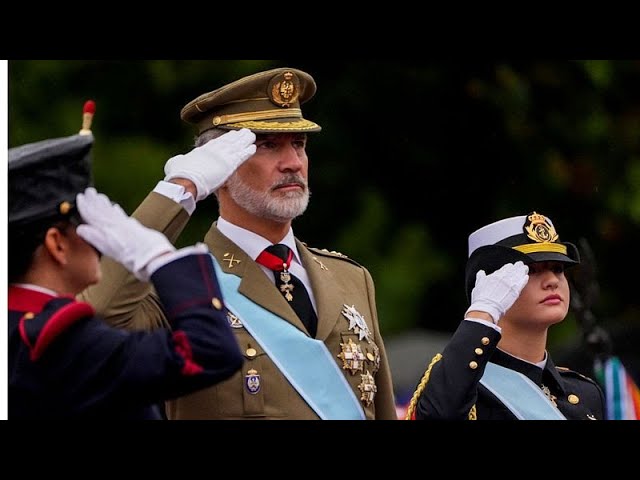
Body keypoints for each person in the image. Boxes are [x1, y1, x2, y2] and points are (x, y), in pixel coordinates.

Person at [79, 67, 397, 419]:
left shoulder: (351, 279)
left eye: (299, 145)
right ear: (220, 165)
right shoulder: (178, 283)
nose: (293, 163)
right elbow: (100, 316)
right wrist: (181, 188)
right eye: (267, 146)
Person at [8, 127, 245, 418]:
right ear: (57, 244)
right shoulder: (56, 342)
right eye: (89, 224)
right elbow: (211, 352)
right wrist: (159, 258)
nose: (102, 238)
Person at [405, 211, 606, 420]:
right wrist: (483, 311)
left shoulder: (585, 394)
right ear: (489, 285)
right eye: (531, 270)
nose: (552, 281)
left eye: (557, 268)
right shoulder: (462, 388)